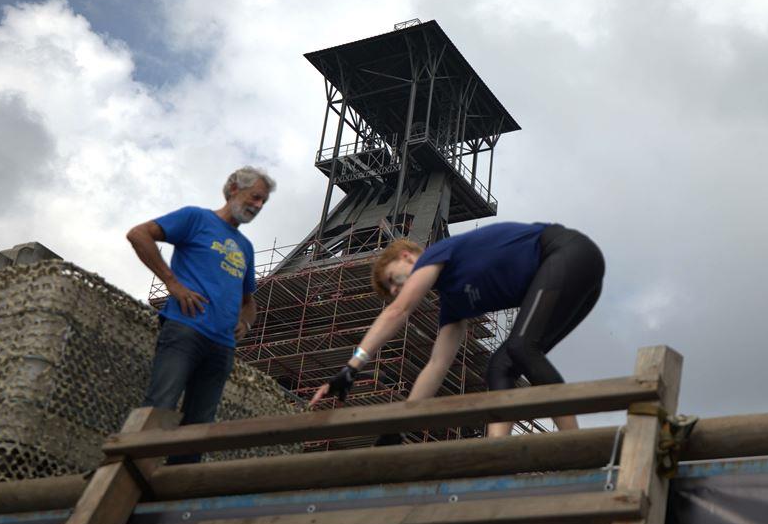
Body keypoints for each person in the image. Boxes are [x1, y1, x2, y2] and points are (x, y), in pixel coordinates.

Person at [308, 222, 605, 440]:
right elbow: (436, 366)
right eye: (391, 291)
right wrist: (399, 426)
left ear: (407, 257)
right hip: (577, 281)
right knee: (500, 367)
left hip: (569, 252)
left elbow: (398, 310)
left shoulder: (437, 254)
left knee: (521, 347)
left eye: (393, 281)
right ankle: (498, 455)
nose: (396, 291)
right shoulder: (453, 304)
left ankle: (575, 443)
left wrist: (351, 368)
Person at [126, 166, 275, 463]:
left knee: (198, 427)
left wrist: (245, 323)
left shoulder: (245, 248)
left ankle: (176, 486)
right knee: (160, 405)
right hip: (185, 330)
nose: (258, 205)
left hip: (222, 346)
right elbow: (139, 234)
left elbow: (249, 302)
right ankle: (129, 474)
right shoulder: (196, 218)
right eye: (255, 196)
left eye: (263, 202)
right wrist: (172, 283)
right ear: (234, 188)